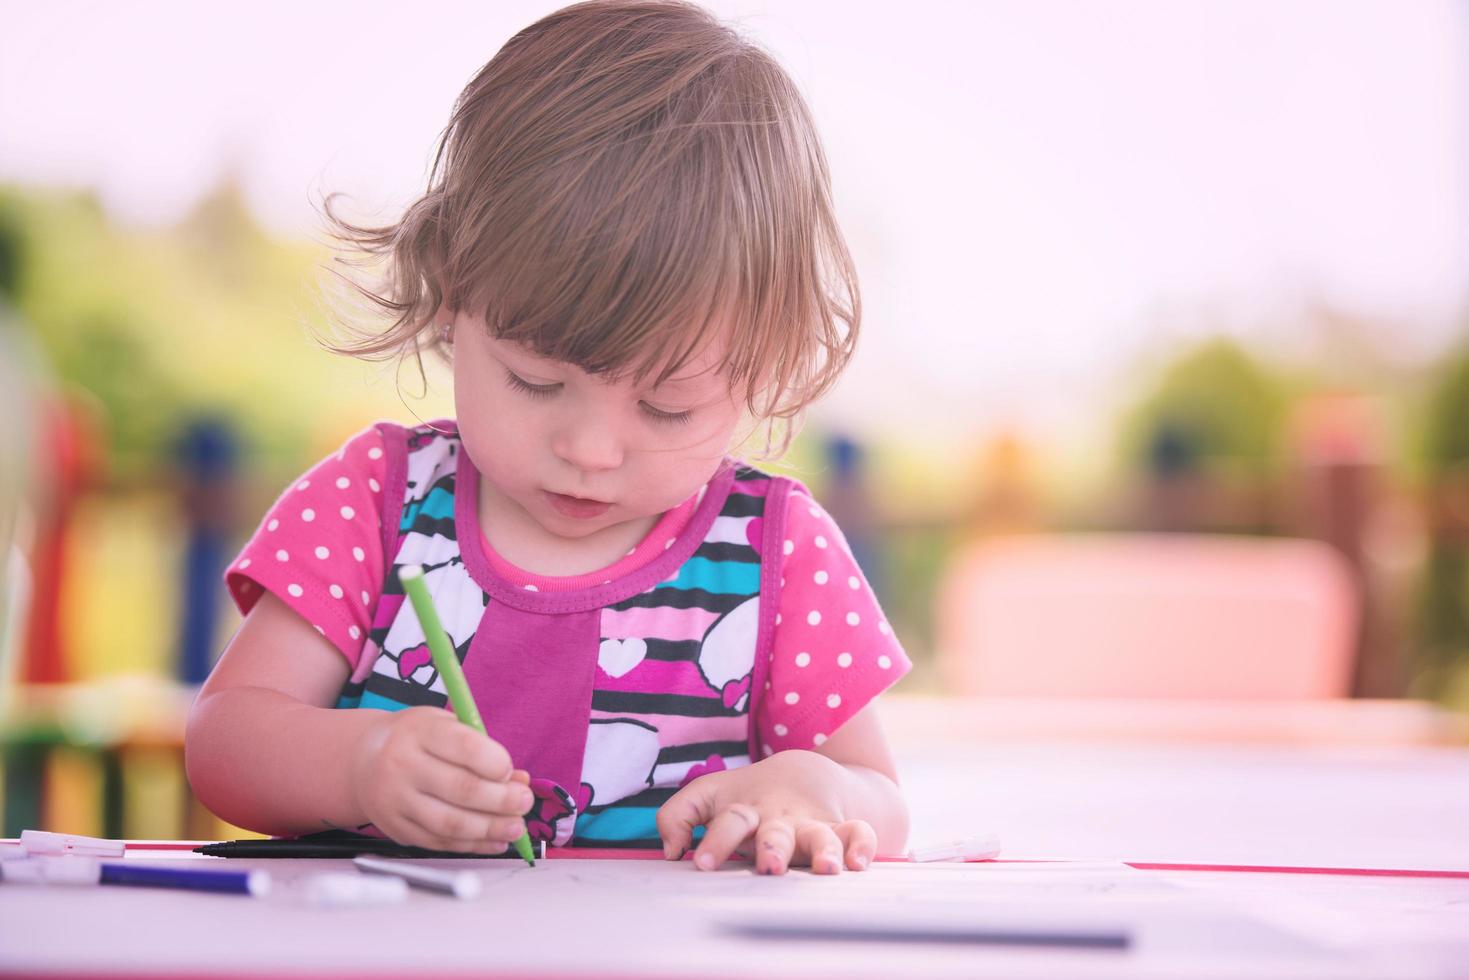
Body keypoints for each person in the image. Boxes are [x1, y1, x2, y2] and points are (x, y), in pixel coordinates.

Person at [185, 0, 911, 875]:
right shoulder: (377, 505)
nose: (591, 449)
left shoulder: (774, 552)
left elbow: (881, 799)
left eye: (666, 407)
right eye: (536, 381)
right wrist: (359, 766)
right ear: (454, 286)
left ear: (761, 363)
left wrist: (815, 790)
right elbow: (225, 742)